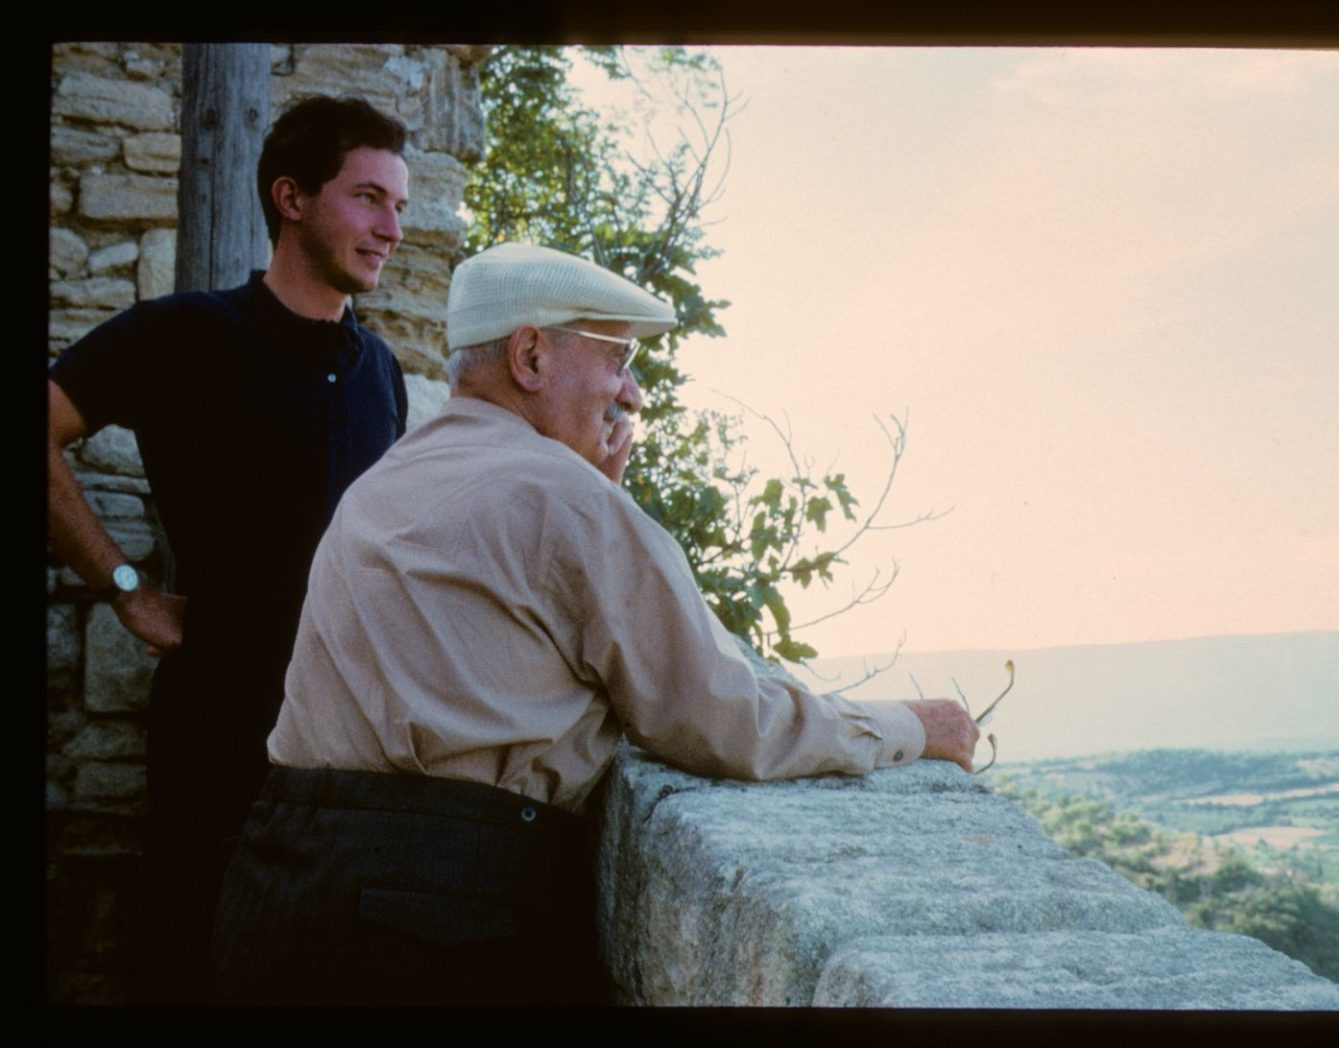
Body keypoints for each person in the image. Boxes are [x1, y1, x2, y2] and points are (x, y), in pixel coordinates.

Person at [210, 242, 980, 1006]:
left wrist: (590, 486)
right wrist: (912, 726)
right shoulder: (568, 502)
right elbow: (722, 717)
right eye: (616, 360)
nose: (633, 394)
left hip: (282, 885)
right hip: (439, 923)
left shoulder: (383, 483)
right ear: (532, 357)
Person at [46, 95, 412, 1004]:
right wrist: (124, 585)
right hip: (217, 726)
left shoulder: (384, 373)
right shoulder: (187, 333)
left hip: (349, 747)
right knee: (182, 965)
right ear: (291, 197)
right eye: (369, 198)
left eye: (399, 206)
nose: (392, 228)